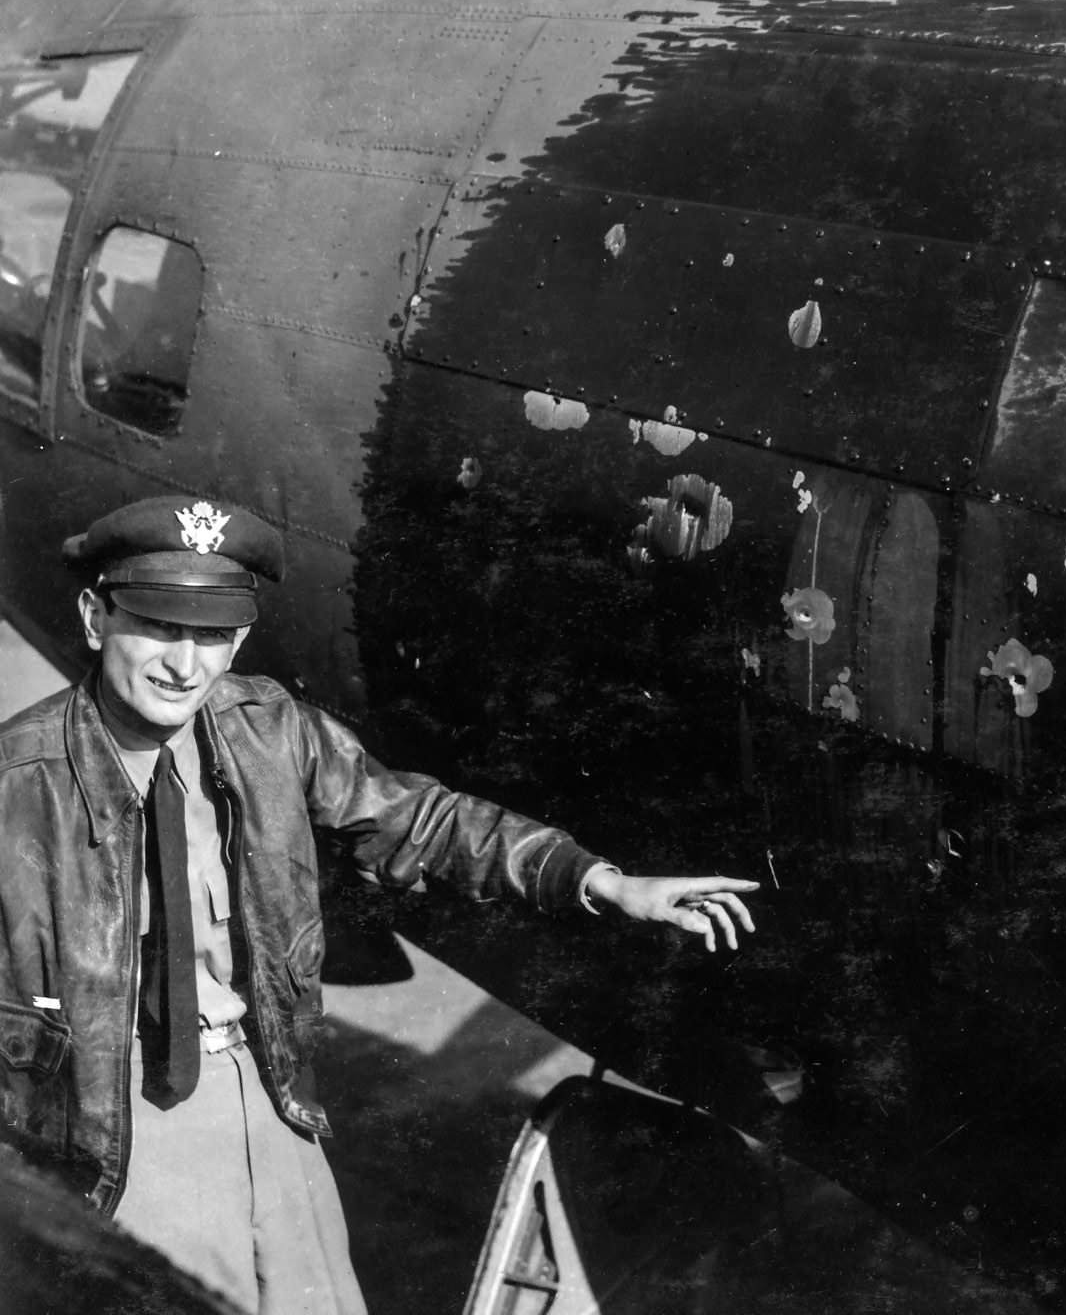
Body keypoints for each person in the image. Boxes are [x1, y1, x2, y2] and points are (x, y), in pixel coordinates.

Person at [0, 495, 757, 1314]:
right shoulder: (16, 787)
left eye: (212, 635)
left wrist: (599, 881)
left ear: (241, 640)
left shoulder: (267, 728)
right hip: (118, 1120)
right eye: (159, 626)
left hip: (269, 1092)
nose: (185, 666)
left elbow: (416, 820)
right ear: (94, 616)